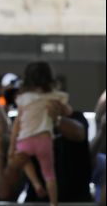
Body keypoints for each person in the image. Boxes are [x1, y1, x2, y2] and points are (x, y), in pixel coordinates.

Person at [9, 61, 69, 205]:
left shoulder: (23, 98)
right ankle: (53, 203)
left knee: (24, 159)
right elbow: (68, 110)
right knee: (49, 174)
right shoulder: (55, 96)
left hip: (25, 141)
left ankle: (36, 183)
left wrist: (12, 147)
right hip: (44, 140)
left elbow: (17, 123)